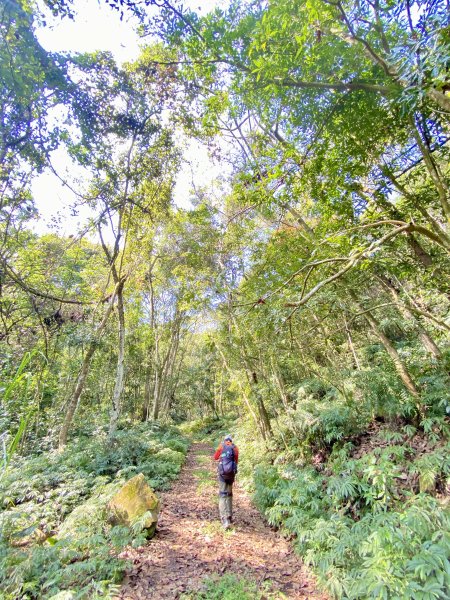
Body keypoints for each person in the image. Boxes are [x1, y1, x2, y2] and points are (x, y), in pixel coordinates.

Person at [213, 434, 239, 529]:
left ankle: (224, 518)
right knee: (229, 494)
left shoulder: (221, 447)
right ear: (231, 440)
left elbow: (215, 457)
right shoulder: (235, 448)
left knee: (222, 494)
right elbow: (236, 461)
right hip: (231, 474)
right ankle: (229, 515)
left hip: (222, 474)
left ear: (225, 440)